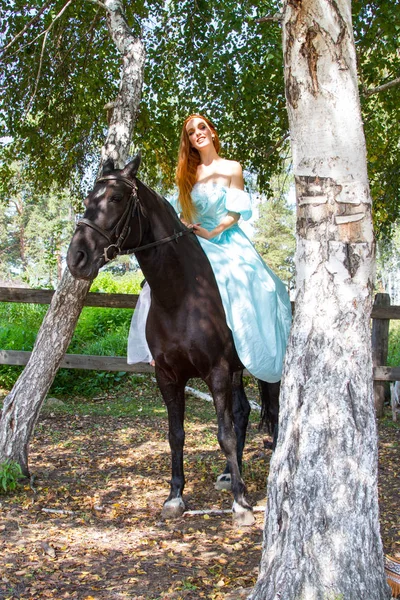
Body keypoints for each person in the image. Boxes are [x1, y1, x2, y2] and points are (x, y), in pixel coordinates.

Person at [128, 114, 292, 382]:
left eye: (201, 128)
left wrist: (213, 231)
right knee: (154, 286)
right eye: (191, 133)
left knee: (261, 284)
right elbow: (178, 211)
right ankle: (158, 349)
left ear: (212, 132)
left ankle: (252, 346)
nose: (197, 134)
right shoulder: (188, 174)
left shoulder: (231, 168)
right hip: (195, 239)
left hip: (224, 237)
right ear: (190, 142)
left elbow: (236, 213)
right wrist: (185, 224)